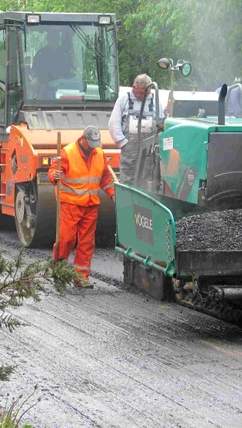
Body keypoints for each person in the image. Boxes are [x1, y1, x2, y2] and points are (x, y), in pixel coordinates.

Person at [48, 126, 115, 289]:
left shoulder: (99, 154)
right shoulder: (67, 152)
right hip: (70, 204)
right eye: (91, 143)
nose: (93, 147)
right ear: (83, 139)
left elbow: (105, 178)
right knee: (66, 239)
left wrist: (113, 194)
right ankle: (59, 270)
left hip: (90, 205)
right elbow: (53, 171)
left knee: (86, 243)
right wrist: (54, 176)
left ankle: (81, 277)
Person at [108, 74, 165, 186]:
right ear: (134, 87)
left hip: (150, 150)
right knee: (129, 177)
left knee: (148, 177)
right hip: (130, 148)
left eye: (146, 94)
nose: (143, 97)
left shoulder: (156, 102)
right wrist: (123, 143)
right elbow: (113, 123)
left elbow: (161, 125)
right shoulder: (123, 100)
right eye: (140, 93)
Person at [29, 29, 75, 99]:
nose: (54, 40)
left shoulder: (65, 54)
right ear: (48, 39)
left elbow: (71, 71)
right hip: (44, 87)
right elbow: (35, 74)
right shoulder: (41, 54)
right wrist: (36, 79)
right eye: (52, 38)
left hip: (63, 87)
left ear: (59, 39)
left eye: (56, 38)